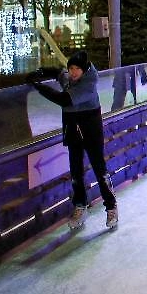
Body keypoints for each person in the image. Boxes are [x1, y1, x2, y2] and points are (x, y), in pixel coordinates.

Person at [27, 50, 118, 230]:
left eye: (77, 69)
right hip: (72, 129)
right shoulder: (69, 77)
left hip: (90, 129)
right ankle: (80, 206)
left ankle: (111, 206)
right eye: (71, 68)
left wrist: (38, 86)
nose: (73, 72)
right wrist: (40, 72)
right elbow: (57, 72)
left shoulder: (88, 84)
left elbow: (64, 100)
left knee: (99, 170)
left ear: (84, 70)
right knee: (75, 172)